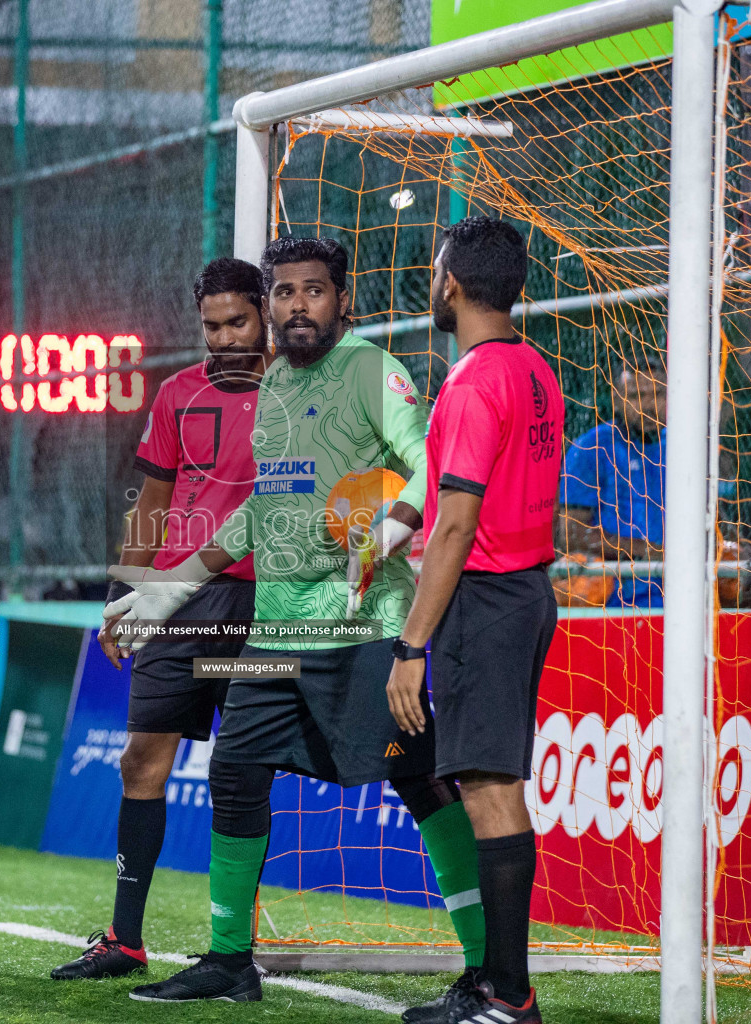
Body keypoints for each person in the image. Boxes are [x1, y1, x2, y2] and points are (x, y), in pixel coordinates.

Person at [107, 237, 485, 1004]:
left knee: (420, 785)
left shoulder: (375, 371)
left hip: (363, 627)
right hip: (274, 634)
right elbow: (262, 510)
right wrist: (170, 587)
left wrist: (392, 529)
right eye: (283, 293)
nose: (296, 306)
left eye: (313, 292)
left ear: (342, 300)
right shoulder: (274, 382)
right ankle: (228, 961)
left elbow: (427, 466)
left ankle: (485, 969)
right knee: (234, 773)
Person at [51, 258, 269, 982]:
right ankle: (125, 940)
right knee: (141, 760)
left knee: (240, 775)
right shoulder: (179, 393)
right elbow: (150, 505)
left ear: (264, 314)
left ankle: (231, 949)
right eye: (211, 326)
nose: (223, 337)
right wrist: (124, 598)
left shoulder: (302, 393)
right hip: (177, 605)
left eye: (237, 321)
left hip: (260, 602)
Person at [387, 218, 563, 1024]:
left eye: (433, 270)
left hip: (485, 600)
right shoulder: (538, 372)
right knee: (480, 782)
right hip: (527, 592)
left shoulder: (468, 382)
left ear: (449, 282)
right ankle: (491, 981)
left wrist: (410, 645)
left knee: (491, 791)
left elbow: (454, 527)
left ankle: (508, 995)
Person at [557, 353, 666, 608]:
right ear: (616, 400)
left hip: (679, 593)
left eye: (657, 394)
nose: (648, 405)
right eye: (636, 395)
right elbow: (571, 534)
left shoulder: (680, 445)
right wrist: (650, 552)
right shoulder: (591, 448)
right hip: (613, 600)